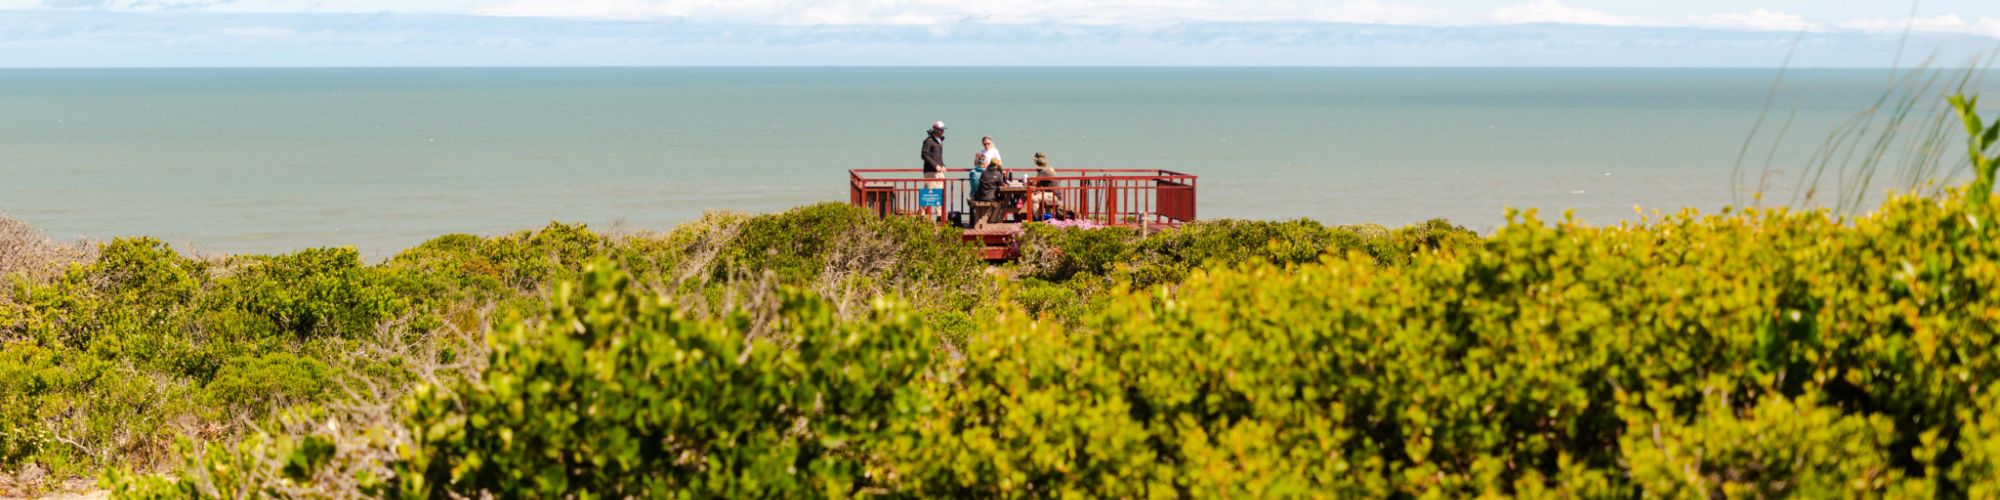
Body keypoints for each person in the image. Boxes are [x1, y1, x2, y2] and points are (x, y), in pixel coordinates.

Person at [918, 121, 948, 218]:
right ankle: (922, 214)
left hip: (939, 172)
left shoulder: (939, 141)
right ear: (935, 129)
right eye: (941, 129)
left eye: (943, 129)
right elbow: (924, 155)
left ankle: (939, 216)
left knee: (939, 193)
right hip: (930, 171)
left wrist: (943, 165)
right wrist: (935, 166)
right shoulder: (928, 141)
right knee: (929, 193)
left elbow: (939, 157)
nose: (942, 131)